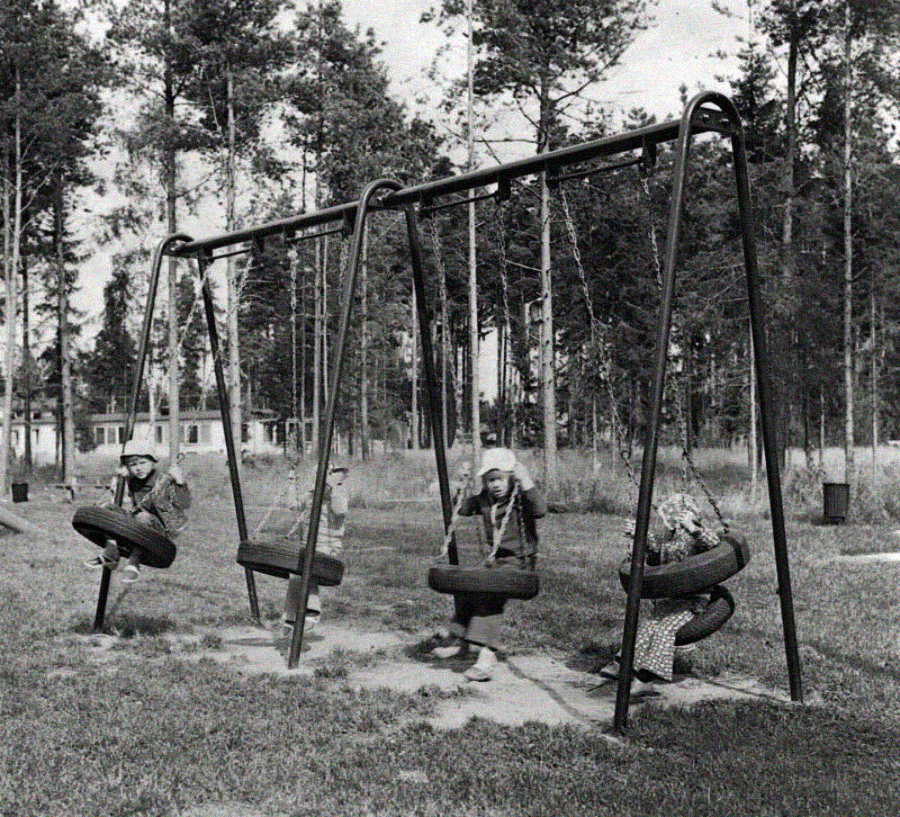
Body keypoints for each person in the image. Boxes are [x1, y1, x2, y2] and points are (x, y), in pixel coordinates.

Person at [432, 448, 546, 682]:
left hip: (519, 562)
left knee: (489, 595)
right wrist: (461, 485)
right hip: (495, 561)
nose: (495, 485)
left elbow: (540, 509)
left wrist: (526, 482)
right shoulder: (485, 499)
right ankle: (460, 638)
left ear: (511, 477)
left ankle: (486, 654)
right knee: (472, 588)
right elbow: (461, 509)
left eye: (500, 479)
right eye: (490, 479)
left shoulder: (520, 497)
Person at [600, 493, 719, 695]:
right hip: (671, 599)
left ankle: (645, 679)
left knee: (664, 630)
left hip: (693, 600)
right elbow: (656, 557)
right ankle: (623, 663)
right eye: (669, 518)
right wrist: (640, 536)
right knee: (648, 628)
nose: (672, 521)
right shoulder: (670, 538)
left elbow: (715, 546)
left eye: (676, 516)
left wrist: (694, 529)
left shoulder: (698, 535)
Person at [84, 441, 191, 583]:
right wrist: (122, 476)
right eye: (133, 465)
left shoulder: (164, 480)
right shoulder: (134, 480)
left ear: (153, 462)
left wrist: (180, 482)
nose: (138, 468)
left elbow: (185, 503)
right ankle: (111, 553)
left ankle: (135, 561)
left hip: (161, 531)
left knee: (143, 517)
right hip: (139, 525)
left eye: (142, 463)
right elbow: (127, 480)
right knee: (108, 508)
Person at [282, 463, 349, 635]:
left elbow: (340, 511)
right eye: (318, 474)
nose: (320, 477)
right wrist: (291, 482)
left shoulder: (337, 494)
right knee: (295, 576)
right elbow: (293, 506)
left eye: (326, 473)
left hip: (327, 546)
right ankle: (290, 617)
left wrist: (333, 485)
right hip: (307, 544)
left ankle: (312, 612)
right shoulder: (311, 496)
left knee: (309, 572)